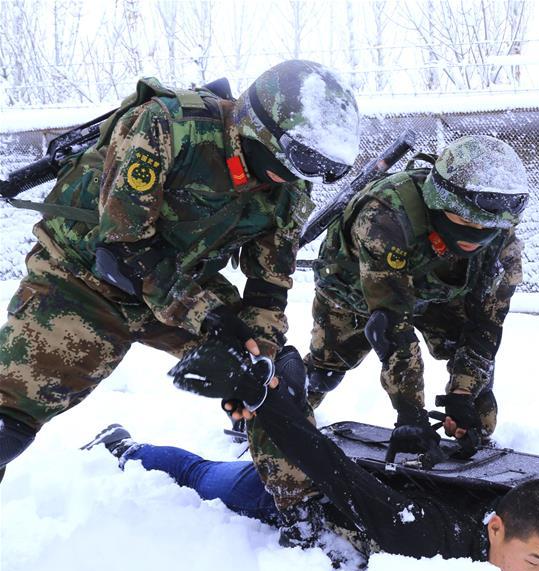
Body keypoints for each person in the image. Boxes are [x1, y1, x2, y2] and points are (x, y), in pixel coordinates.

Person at [0, 60, 361, 483]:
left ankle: (306, 511)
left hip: (182, 279)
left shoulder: (291, 187)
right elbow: (122, 250)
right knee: (8, 425)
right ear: (262, 131)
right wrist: (212, 318)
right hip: (83, 278)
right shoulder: (166, 128)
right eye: (301, 161)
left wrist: (257, 353)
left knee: (276, 381)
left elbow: (270, 286)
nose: (304, 177)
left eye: (319, 168)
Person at [82, 346, 539, 571]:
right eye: (535, 562)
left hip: (366, 480)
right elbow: (332, 471)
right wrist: (270, 404)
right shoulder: (428, 537)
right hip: (295, 490)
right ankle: (125, 447)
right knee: (200, 476)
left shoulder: (502, 516)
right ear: (497, 527)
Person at [241, 135, 529, 527]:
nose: (477, 232)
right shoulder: (386, 215)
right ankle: (270, 416)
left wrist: (462, 392)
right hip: (355, 290)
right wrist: (408, 411)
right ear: (440, 203)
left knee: (477, 401)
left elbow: (484, 330)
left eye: (487, 226)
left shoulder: (502, 249)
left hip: (440, 294)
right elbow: (390, 325)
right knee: (326, 368)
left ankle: (471, 444)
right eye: (465, 221)